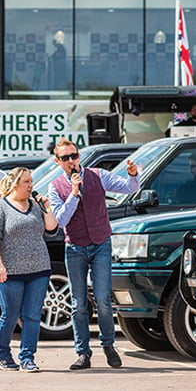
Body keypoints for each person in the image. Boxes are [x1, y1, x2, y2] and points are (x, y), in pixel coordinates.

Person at [48, 138, 140, 370]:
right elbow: (60, 221)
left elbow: (130, 188)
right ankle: (83, 353)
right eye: (66, 158)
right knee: (78, 302)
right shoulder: (55, 186)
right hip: (76, 246)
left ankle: (108, 345)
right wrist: (74, 193)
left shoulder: (98, 175)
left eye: (74, 156)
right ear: (58, 161)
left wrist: (132, 175)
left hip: (100, 243)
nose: (71, 161)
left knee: (102, 299)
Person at [0, 167, 58, 372]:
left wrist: (46, 208)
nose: (30, 186)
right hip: (10, 271)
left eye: (31, 182)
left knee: (32, 316)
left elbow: (51, 228)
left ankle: (27, 357)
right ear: (15, 184)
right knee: (10, 314)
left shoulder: (35, 206)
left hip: (39, 269)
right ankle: (2, 355)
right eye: (26, 182)